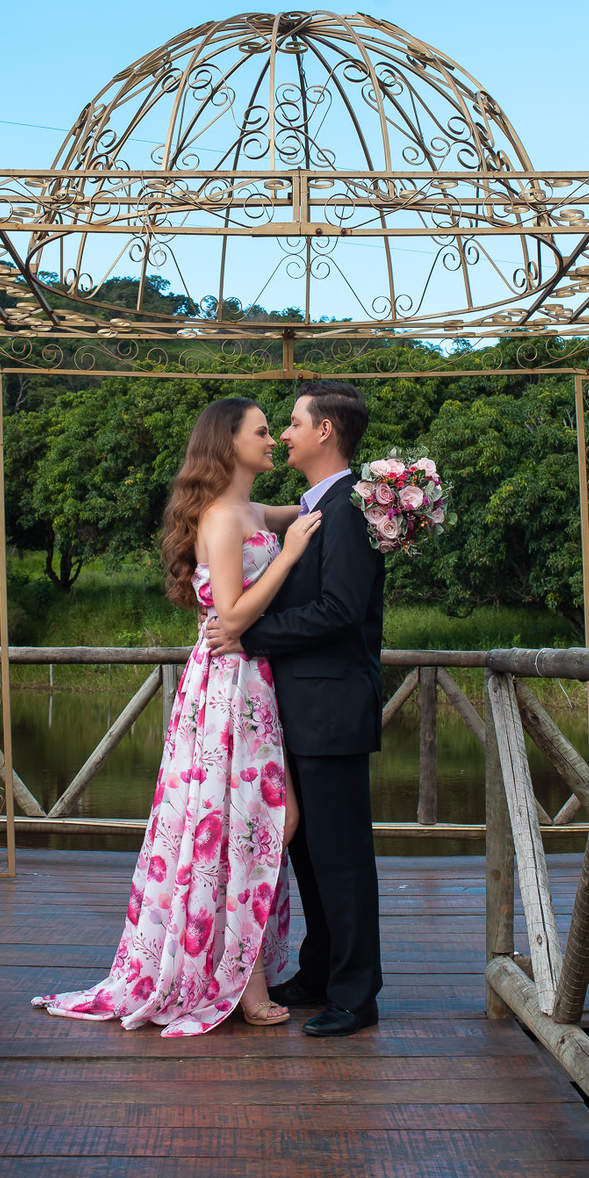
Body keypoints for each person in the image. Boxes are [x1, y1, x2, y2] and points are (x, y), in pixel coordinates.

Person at [32, 397, 321, 1035]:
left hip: (252, 683)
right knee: (244, 822)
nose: (273, 440)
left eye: (277, 431)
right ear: (228, 443)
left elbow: (306, 506)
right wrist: (291, 556)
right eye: (262, 432)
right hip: (227, 683)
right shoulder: (220, 519)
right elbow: (235, 617)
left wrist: (387, 492)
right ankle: (243, 981)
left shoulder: (247, 510)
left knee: (260, 820)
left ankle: (237, 965)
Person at [207, 381, 385, 1037]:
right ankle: (319, 969)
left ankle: (356, 994)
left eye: (293, 422)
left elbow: (340, 611)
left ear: (325, 433)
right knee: (307, 852)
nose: (284, 433)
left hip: (331, 707)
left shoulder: (348, 510)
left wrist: (249, 637)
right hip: (297, 708)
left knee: (340, 856)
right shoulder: (314, 507)